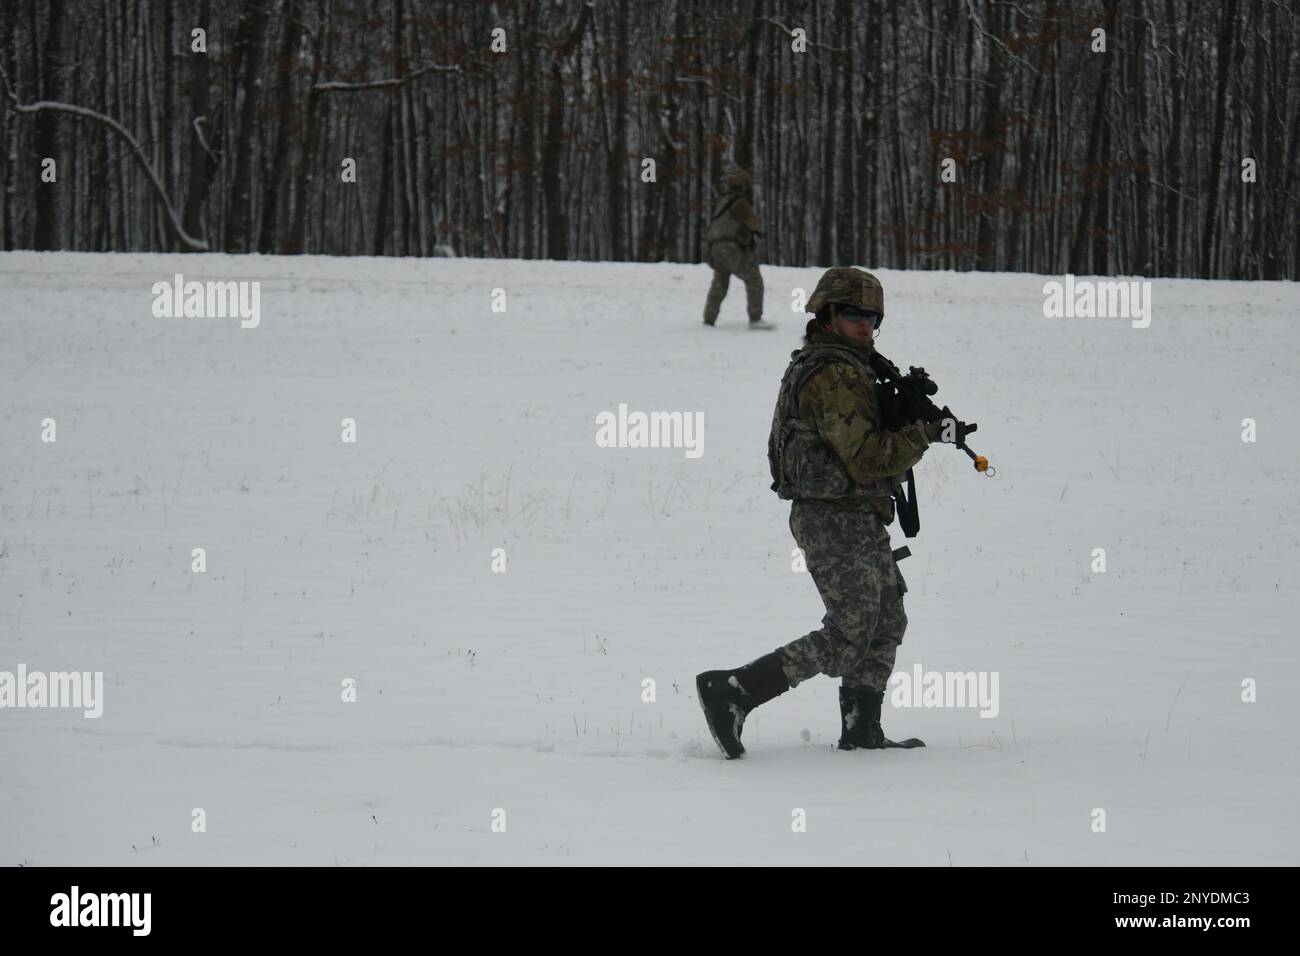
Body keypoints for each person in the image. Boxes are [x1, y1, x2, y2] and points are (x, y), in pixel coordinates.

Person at [696, 267, 957, 758]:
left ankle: (861, 730)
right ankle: (734, 690)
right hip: (831, 515)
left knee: (885, 622)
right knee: (850, 631)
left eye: (873, 317)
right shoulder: (834, 374)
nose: (866, 325)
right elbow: (866, 457)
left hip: (854, 511)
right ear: (827, 315)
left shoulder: (854, 366)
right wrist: (923, 436)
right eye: (855, 314)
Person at [702, 166, 770, 329]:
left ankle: (709, 319)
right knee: (753, 278)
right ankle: (755, 319)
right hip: (731, 248)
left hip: (716, 247)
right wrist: (760, 230)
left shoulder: (723, 200)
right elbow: (753, 222)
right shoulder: (740, 203)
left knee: (720, 282)